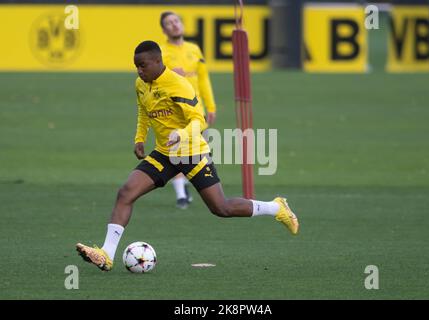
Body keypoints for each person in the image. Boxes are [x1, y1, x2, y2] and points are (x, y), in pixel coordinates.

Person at [76, 41, 299, 272]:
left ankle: (276, 207)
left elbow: (199, 120)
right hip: (164, 153)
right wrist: (139, 138)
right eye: (136, 67)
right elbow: (143, 111)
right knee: (126, 192)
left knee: (221, 208)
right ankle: (107, 254)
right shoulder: (141, 84)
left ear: (157, 62)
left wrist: (181, 134)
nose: (139, 71)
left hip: (192, 153)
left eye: (142, 66)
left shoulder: (178, 85)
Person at [160, 11, 217, 209]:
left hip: (196, 110)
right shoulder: (161, 53)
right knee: (177, 149)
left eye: (176, 21)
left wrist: (211, 105)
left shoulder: (194, 49)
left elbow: (203, 79)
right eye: (169, 23)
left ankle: (186, 187)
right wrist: (167, 74)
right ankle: (181, 194)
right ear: (164, 30)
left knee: (190, 152)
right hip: (174, 110)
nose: (174, 25)